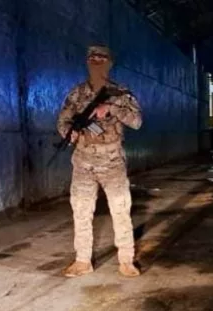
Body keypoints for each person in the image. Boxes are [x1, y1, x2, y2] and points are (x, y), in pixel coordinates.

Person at [56, 45, 143, 278]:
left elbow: (136, 121)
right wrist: (69, 133)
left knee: (120, 209)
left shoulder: (120, 93)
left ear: (109, 63)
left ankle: (126, 260)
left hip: (112, 161)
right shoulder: (77, 94)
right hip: (83, 161)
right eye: (92, 58)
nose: (96, 62)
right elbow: (63, 120)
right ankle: (82, 261)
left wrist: (111, 108)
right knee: (81, 211)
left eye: (101, 58)